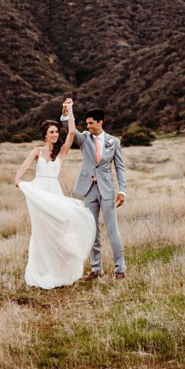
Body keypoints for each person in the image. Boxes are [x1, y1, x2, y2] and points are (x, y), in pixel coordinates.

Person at [14, 99, 96, 289]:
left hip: (54, 192)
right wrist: (18, 179)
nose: (55, 134)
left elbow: (73, 132)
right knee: (42, 231)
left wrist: (70, 110)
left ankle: (62, 269)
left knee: (59, 229)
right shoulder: (37, 150)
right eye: (51, 132)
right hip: (39, 192)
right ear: (45, 135)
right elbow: (24, 167)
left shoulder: (62, 151)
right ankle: (43, 269)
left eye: (56, 131)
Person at [62, 107, 127, 280]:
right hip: (88, 189)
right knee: (91, 229)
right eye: (87, 123)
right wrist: (67, 113)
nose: (88, 126)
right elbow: (69, 129)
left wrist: (122, 191)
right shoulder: (84, 138)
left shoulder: (114, 142)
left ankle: (120, 269)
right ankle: (96, 269)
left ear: (100, 122)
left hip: (107, 191)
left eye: (91, 123)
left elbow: (119, 167)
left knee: (113, 229)